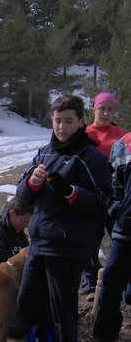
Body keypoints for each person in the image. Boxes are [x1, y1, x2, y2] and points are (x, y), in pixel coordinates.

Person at [16, 94, 113, 342]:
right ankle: (44, 336)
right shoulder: (44, 153)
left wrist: (71, 191)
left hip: (68, 247)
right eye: (57, 120)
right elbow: (21, 195)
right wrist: (32, 182)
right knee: (27, 301)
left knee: (63, 312)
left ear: (82, 121)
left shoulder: (91, 157)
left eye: (68, 121)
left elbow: (104, 203)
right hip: (38, 242)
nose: (61, 127)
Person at [82, 91, 127, 294]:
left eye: (110, 109)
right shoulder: (84, 134)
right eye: (102, 108)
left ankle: (120, 281)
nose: (106, 113)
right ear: (94, 108)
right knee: (89, 240)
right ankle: (90, 280)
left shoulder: (123, 136)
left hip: (116, 198)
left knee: (119, 241)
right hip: (91, 195)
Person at [92, 132, 131, 342]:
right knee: (111, 281)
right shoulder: (123, 145)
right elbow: (115, 187)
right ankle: (105, 335)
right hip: (126, 230)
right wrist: (116, 210)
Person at [0, 196, 33, 338]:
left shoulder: (17, 231)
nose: (26, 225)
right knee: (17, 328)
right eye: (24, 220)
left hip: (15, 284)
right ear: (12, 214)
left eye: (28, 221)